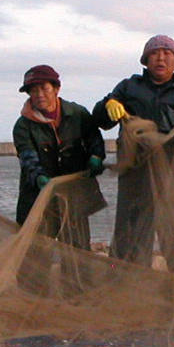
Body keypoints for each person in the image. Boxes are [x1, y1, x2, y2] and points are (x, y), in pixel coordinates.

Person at [93, 35, 174, 275]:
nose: (161, 57)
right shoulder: (129, 87)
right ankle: (126, 282)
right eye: (155, 53)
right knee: (131, 231)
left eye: (167, 53)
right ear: (146, 60)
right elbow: (100, 120)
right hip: (136, 175)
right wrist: (108, 105)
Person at [12, 65, 106, 247]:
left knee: (77, 250)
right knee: (34, 252)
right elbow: (28, 157)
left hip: (73, 197)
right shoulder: (23, 126)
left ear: (56, 88)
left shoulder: (78, 114)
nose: (39, 94)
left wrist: (96, 156)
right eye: (33, 90)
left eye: (44, 88)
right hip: (37, 199)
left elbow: (94, 139)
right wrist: (38, 177)